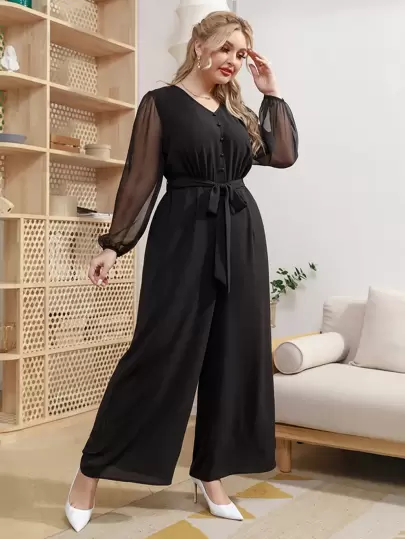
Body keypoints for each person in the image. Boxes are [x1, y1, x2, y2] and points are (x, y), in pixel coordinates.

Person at [65, 10, 298, 533]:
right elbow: (141, 179)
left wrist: (271, 92)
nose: (233, 60)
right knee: (158, 354)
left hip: (241, 238)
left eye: (241, 53)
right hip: (183, 237)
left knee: (231, 359)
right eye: (226, 48)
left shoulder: (237, 110)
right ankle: (88, 475)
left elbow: (282, 155)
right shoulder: (162, 103)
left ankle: (211, 475)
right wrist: (115, 246)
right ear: (199, 45)